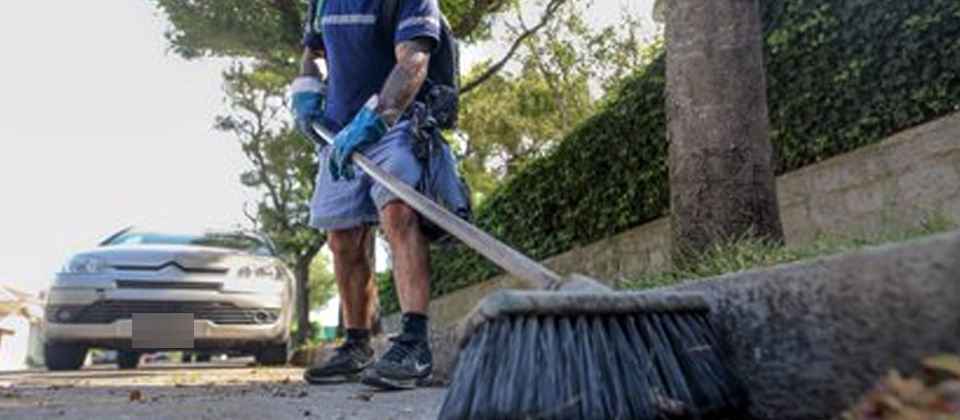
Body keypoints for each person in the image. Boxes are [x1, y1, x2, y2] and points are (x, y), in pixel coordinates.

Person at [288, 0, 443, 390]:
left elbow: (413, 62)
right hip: (338, 135)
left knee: (399, 214)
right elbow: (314, 52)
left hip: (395, 126)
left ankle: (414, 342)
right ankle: (356, 346)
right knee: (341, 239)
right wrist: (306, 91)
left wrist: (378, 116)